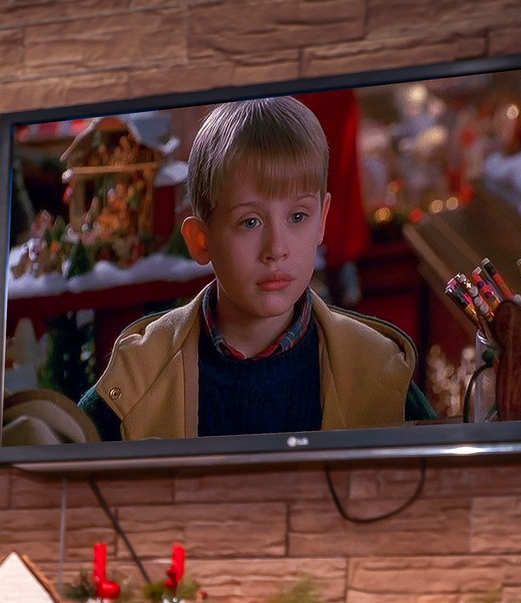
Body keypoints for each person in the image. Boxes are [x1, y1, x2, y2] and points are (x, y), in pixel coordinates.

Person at [79, 97, 432, 439]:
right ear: (201, 240)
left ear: (322, 222)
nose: (276, 249)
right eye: (249, 222)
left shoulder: (376, 368)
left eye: (297, 216)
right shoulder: (142, 374)